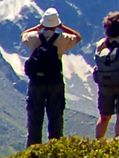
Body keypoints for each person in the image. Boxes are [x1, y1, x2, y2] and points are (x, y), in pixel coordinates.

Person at [22, 8, 82, 145]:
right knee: (55, 116)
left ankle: (33, 149)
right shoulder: (62, 39)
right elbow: (78, 37)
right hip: (55, 81)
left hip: (36, 82)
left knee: (34, 117)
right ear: (56, 24)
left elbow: (24, 34)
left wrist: (40, 26)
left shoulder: (33, 38)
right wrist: (61, 27)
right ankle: (55, 147)